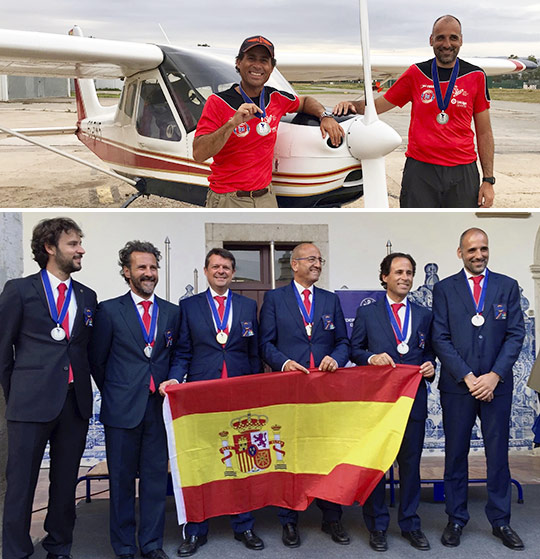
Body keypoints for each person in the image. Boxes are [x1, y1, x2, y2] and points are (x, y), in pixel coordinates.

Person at [0, 217, 97, 559]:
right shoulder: (19, 290)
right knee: (21, 486)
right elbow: (2, 352)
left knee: (64, 483)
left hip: (74, 405)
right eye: (73, 244)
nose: (80, 249)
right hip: (29, 405)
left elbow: (87, 352)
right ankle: (16, 552)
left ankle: (59, 548)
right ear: (50, 248)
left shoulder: (88, 296)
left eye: (79, 243)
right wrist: (17, 397)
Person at [334, 15, 495, 209]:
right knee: (414, 231)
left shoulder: (475, 76)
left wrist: (488, 180)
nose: (446, 44)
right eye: (440, 37)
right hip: (421, 171)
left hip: (462, 172)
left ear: (461, 40)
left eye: (453, 37)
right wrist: (351, 104)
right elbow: (379, 105)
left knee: (458, 232)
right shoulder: (416, 73)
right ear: (431, 40)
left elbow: (484, 131)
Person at [432, 228, 525, 550]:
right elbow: (440, 337)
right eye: (472, 250)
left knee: (498, 456)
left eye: (483, 248)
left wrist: (494, 376)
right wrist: (469, 377)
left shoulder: (507, 286)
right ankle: (456, 519)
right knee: (455, 455)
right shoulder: (443, 289)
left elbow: (515, 335)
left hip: (496, 387)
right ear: (460, 253)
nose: (479, 255)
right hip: (459, 387)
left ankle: (501, 521)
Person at [90, 241, 181, 559]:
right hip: (121, 411)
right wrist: (121, 389)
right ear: (126, 271)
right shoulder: (109, 310)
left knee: (156, 483)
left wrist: (175, 378)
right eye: (141, 267)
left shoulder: (172, 312)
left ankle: (152, 545)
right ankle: (125, 546)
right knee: (122, 483)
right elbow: (97, 361)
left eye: (153, 267)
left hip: (158, 410)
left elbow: (178, 354)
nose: (149, 273)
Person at [172, 248, 263, 557]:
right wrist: (174, 379)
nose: (221, 271)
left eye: (226, 267)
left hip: (239, 394)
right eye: (216, 266)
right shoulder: (189, 306)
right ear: (206, 270)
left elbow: (253, 353)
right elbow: (182, 351)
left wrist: (254, 391)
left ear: (233, 272)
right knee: (200, 461)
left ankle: (244, 525)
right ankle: (196, 530)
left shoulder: (248, 306)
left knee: (242, 459)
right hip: (202, 394)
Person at [259, 242, 350, 548]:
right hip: (290, 392)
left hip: (325, 393)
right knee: (291, 456)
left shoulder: (330, 299)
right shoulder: (274, 298)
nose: (318, 264)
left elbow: (343, 342)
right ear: (294, 264)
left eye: (320, 259)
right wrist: (283, 363)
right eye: (311, 259)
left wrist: (337, 358)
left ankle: (332, 517)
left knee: (327, 455)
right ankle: (288, 520)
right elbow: (265, 343)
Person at [193, 35, 345, 208]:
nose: (257, 65)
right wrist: (232, 123)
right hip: (229, 198)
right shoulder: (217, 102)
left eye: (264, 60)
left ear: (271, 68)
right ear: (238, 63)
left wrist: (325, 116)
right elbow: (199, 154)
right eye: (251, 58)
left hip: (266, 197)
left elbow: (304, 102)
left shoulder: (276, 97)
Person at [350, 253, 435, 552]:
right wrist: (370, 358)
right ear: (384, 276)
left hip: (413, 403)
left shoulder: (424, 314)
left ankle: (410, 524)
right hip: (379, 405)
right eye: (399, 271)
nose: (406, 277)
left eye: (410, 272)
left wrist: (430, 366)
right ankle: (377, 526)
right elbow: (354, 349)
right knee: (377, 465)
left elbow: (429, 352)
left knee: (410, 467)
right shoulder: (368, 314)